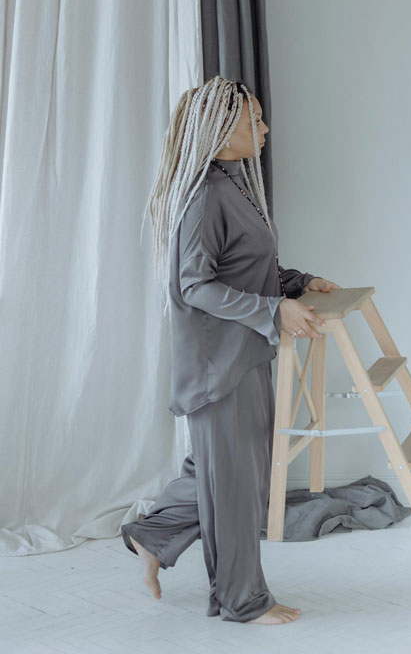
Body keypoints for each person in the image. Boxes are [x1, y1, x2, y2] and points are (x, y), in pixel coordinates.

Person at [120, 75, 340, 625]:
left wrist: (296, 282)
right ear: (221, 135)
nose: (264, 129)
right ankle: (242, 599)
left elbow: (244, 266)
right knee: (237, 484)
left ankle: (153, 537)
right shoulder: (204, 197)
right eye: (254, 121)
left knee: (222, 472)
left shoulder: (232, 183)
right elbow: (194, 285)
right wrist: (274, 311)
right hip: (218, 363)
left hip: (243, 353)